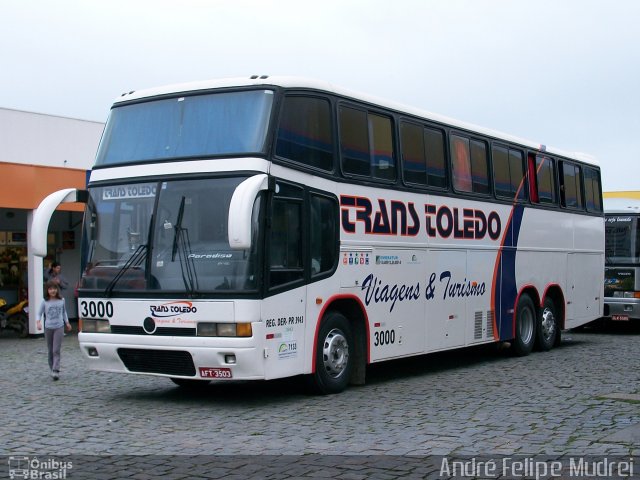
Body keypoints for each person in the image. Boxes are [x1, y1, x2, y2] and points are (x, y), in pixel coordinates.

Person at [36, 281, 72, 381]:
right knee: (50, 350)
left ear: (57, 290)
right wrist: (38, 322)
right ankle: (52, 368)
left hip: (59, 327)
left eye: (54, 289)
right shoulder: (45, 301)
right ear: (47, 290)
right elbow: (39, 313)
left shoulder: (62, 300)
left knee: (56, 350)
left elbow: (64, 312)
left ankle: (56, 370)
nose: (53, 291)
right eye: (50, 289)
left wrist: (67, 323)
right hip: (48, 328)